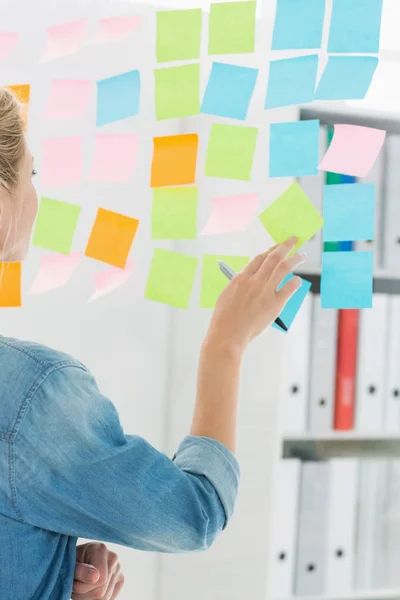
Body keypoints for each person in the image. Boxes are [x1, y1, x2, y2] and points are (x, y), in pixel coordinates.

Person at [0, 88, 306, 600]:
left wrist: (40, 571)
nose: (37, 193)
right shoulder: (31, 398)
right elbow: (193, 514)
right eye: (31, 174)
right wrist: (225, 346)